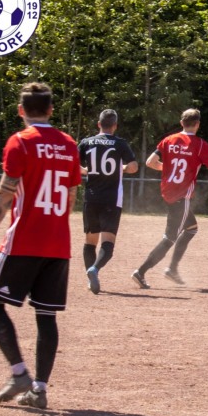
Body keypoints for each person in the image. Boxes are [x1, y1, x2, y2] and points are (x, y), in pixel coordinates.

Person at [0, 82, 82, 410]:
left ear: (21, 110)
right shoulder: (68, 145)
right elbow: (70, 195)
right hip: (58, 242)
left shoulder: (20, 142)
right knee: (46, 316)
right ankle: (39, 389)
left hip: (24, 239)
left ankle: (19, 373)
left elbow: (5, 191)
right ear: (51, 110)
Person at [132, 108, 208, 288]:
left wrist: (167, 168)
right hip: (182, 196)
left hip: (168, 193)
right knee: (170, 238)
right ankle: (141, 272)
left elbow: (150, 162)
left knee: (191, 229)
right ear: (197, 124)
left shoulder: (168, 140)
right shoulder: (200, 144)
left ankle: (172, 268)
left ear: (181, 123)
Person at [78, 109, 138, 294]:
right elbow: (134, 167)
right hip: (112, 199)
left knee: (90, 241)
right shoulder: (120, 143)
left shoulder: (86, 143)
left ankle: (91, 280)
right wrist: (122, 169)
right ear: (115, 126)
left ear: (98, 124)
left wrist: (88, 171)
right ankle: (94, 269)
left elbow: (73, 165)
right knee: (108, 243)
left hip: (91, 197)